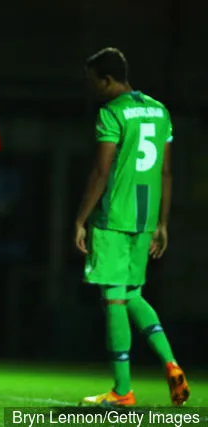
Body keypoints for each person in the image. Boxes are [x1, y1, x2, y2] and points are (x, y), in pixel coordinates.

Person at [75, 47, 190, 406]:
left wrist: (80, 219)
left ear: (107, 80)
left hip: (113, 219)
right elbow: (167, 171)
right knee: (134, 294)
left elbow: (101, 171)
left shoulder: (111, 112)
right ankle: (170, 362)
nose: (94, 90)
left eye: (95, 83)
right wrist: (163, 224)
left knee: (114, 299)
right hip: (145, 219)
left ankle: (123, 390)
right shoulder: (159, 111)